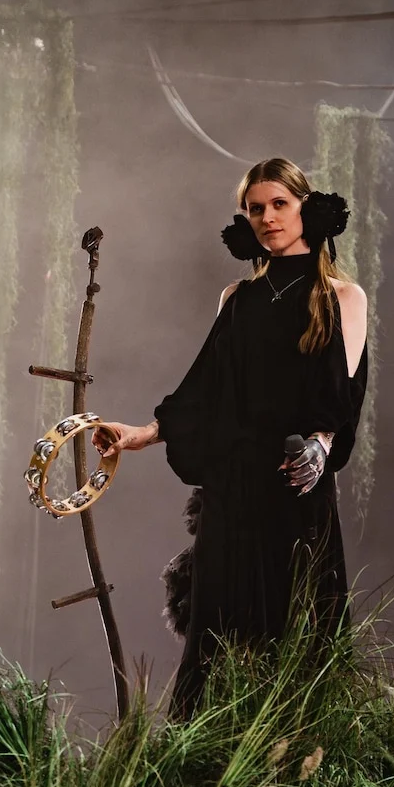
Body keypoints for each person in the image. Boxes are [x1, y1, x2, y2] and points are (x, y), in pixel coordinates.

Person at [94, 158, 368, 717]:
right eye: (255, 208)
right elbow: (205, 391)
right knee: (217, 639)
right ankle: (204, 757)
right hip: (232, 491)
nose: (268, 218)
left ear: (307, 207)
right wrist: (144, 433)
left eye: (279, 204)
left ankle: (296, 757)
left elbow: (341, 394)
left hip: (295, 485)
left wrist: (319, 445)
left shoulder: (342, 297)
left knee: (300, 636)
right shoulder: (237, 298)